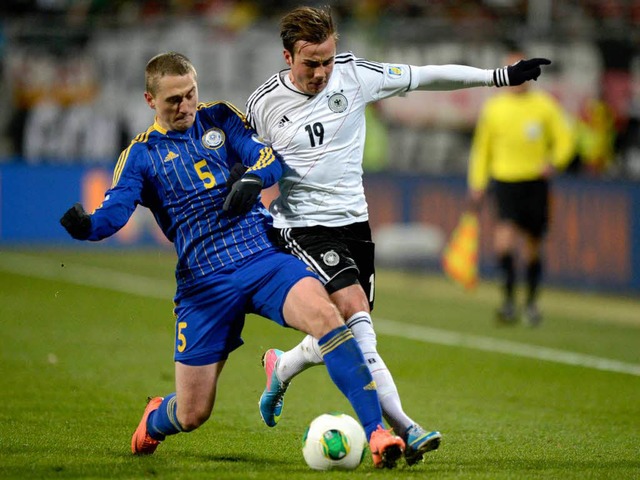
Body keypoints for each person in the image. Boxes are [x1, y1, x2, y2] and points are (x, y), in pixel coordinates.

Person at [59, 51, 406, 469]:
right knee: (192, 413)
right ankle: (155, 418)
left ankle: (376, 433)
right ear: (150, 101)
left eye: (190, 94)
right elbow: (116, 212)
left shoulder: (219, 118)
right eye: (173, 100)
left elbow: (266, 157)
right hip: (203, 285)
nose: (185, 106)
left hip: (260, 257)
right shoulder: (140, 156)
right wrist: (88, 226)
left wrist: (254, 179)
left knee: (329, 317)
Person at [242, 5, 553, 466]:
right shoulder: (262, 104)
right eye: (311, 63)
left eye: (328, 59)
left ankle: (282, 366)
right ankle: (402, 429)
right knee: (357, 321)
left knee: (346, 327)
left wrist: (499, 77)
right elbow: (242, 161)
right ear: (287, 56)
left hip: (354, 225)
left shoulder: (354, 75)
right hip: (302, 227)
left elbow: (426, 76)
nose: (323, 72)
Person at [468, 52, 575, 326]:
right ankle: (507, 302)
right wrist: (478, 183)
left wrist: (555, 162)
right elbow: (482, 149)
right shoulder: (494, 108)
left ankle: (530, 303)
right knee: (503, 243)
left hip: (535, 182)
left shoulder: (544, 106)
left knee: (532, 247)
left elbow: (565, 139)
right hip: (505, 182)